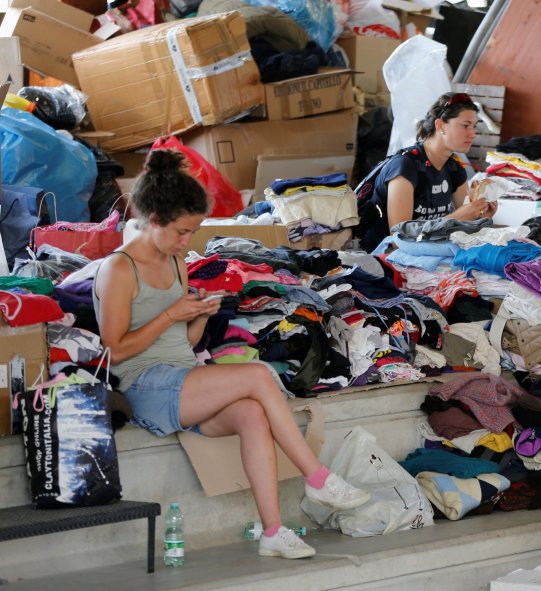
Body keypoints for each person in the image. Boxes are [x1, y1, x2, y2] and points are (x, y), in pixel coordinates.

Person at [93, 150, 370, 560]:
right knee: (257, 375)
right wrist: (172, 311)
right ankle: (317, 477)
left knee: (252, 414)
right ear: (154, 221)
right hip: (145, 387)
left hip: (184, 380)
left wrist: (200, 313)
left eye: (193, 232)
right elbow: (113, 352)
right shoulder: (118, 268)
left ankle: (273, 530)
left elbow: (184, 343)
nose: (188, 243)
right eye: (182, 232)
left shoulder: (176, 261)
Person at [360, 91, 497, 251]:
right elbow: (398, 239)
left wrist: (480, 215)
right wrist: (456, 218)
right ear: (440, 126)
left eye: (474, 126)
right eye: (465, 125)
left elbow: (464, 222)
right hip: (386, 256)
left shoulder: (454, 168)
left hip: (429, 249)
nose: (473, 133)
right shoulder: (405, 166)